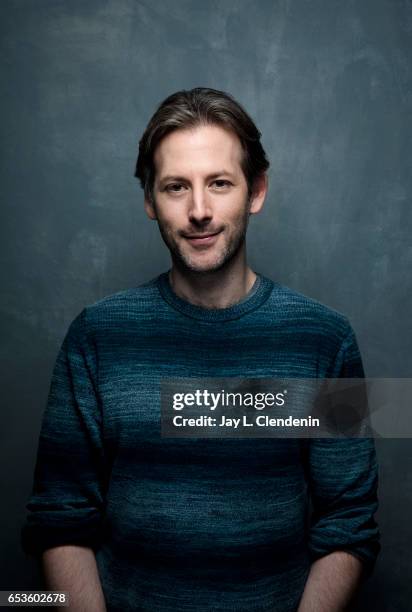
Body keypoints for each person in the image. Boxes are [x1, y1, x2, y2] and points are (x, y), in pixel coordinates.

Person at [21, 87, 380, 612]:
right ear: (149, 200)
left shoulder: (323, 339)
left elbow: (349, 521)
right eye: (175, 187)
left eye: (219, 183)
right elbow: (60, 516)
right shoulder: (97, 337)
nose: (199, 211)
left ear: (255, 191)